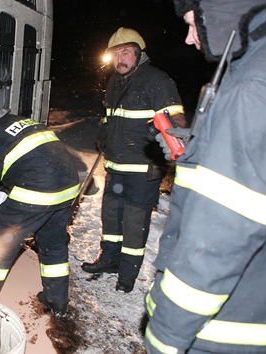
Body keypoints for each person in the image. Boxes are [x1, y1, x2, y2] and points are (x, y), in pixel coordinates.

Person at [144, 0, 266, 353]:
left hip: (223, 329)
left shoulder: (257, 85)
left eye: (194, 24)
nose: (192, 40)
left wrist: (164, 336)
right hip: (262, 304)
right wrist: (199, 144)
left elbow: (217, 240)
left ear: (222, 10)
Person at [0, 95, 81, 317]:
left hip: (37, 189)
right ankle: (57, 301)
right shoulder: (17, 122)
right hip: (68, 186)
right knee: (53, 244)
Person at [80, 27, 186, 293]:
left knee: (134, 224)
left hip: (142, 168)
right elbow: (109, 116)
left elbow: (176, 122)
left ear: (139, 54)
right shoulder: (116, 81)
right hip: (116, 166)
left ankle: (127, 274)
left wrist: (158, 132)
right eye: (116, 54)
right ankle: (109, 260)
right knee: (111, 219)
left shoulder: (157, 81)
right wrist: (103, 135)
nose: (120, 59)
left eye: (125, 52)